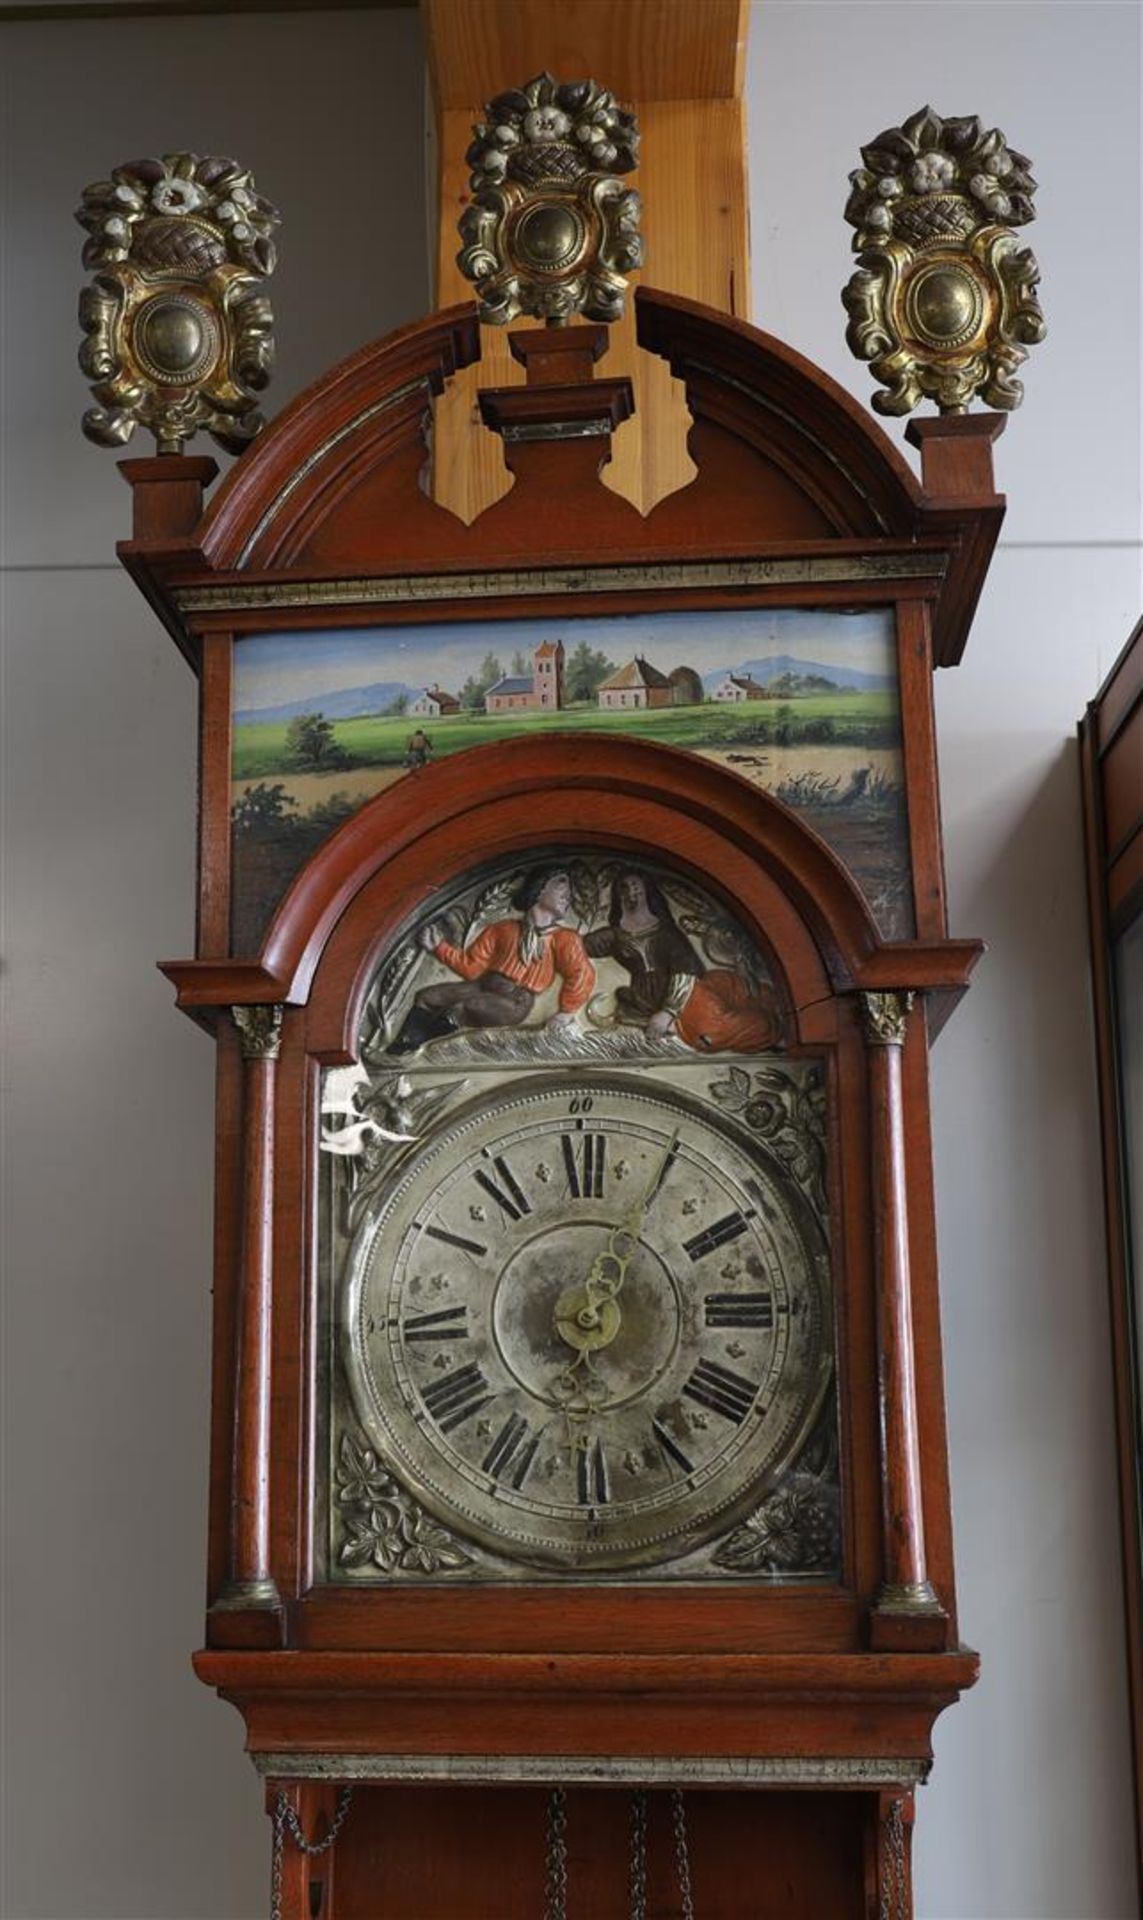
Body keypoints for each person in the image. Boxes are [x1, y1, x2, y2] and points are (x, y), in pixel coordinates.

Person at [387, 867, 595, 1055]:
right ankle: (402, 1048)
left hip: (514, 1000)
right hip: (482, 985)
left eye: (569, 895)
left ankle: (422, 1049)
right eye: (561, 886)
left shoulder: (565, 939)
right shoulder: (502, 929)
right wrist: (438, 947)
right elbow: (471, 967)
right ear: (539, 889)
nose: (568, 897)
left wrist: (566, 1012)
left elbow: (581, 973)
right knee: (427, 996)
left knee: (461, 1009)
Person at [584, 869, 782, 1053]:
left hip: (689, 997)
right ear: (617, 896)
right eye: (623, 888)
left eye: (636, 887)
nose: (630, 892)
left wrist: (669, 1012)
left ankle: (774, 1020)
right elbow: (580, 945)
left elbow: (684, 972)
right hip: (645, 1001)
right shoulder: (615, 935)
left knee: (722, 1030)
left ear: (647, 892)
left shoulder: (667, 933)